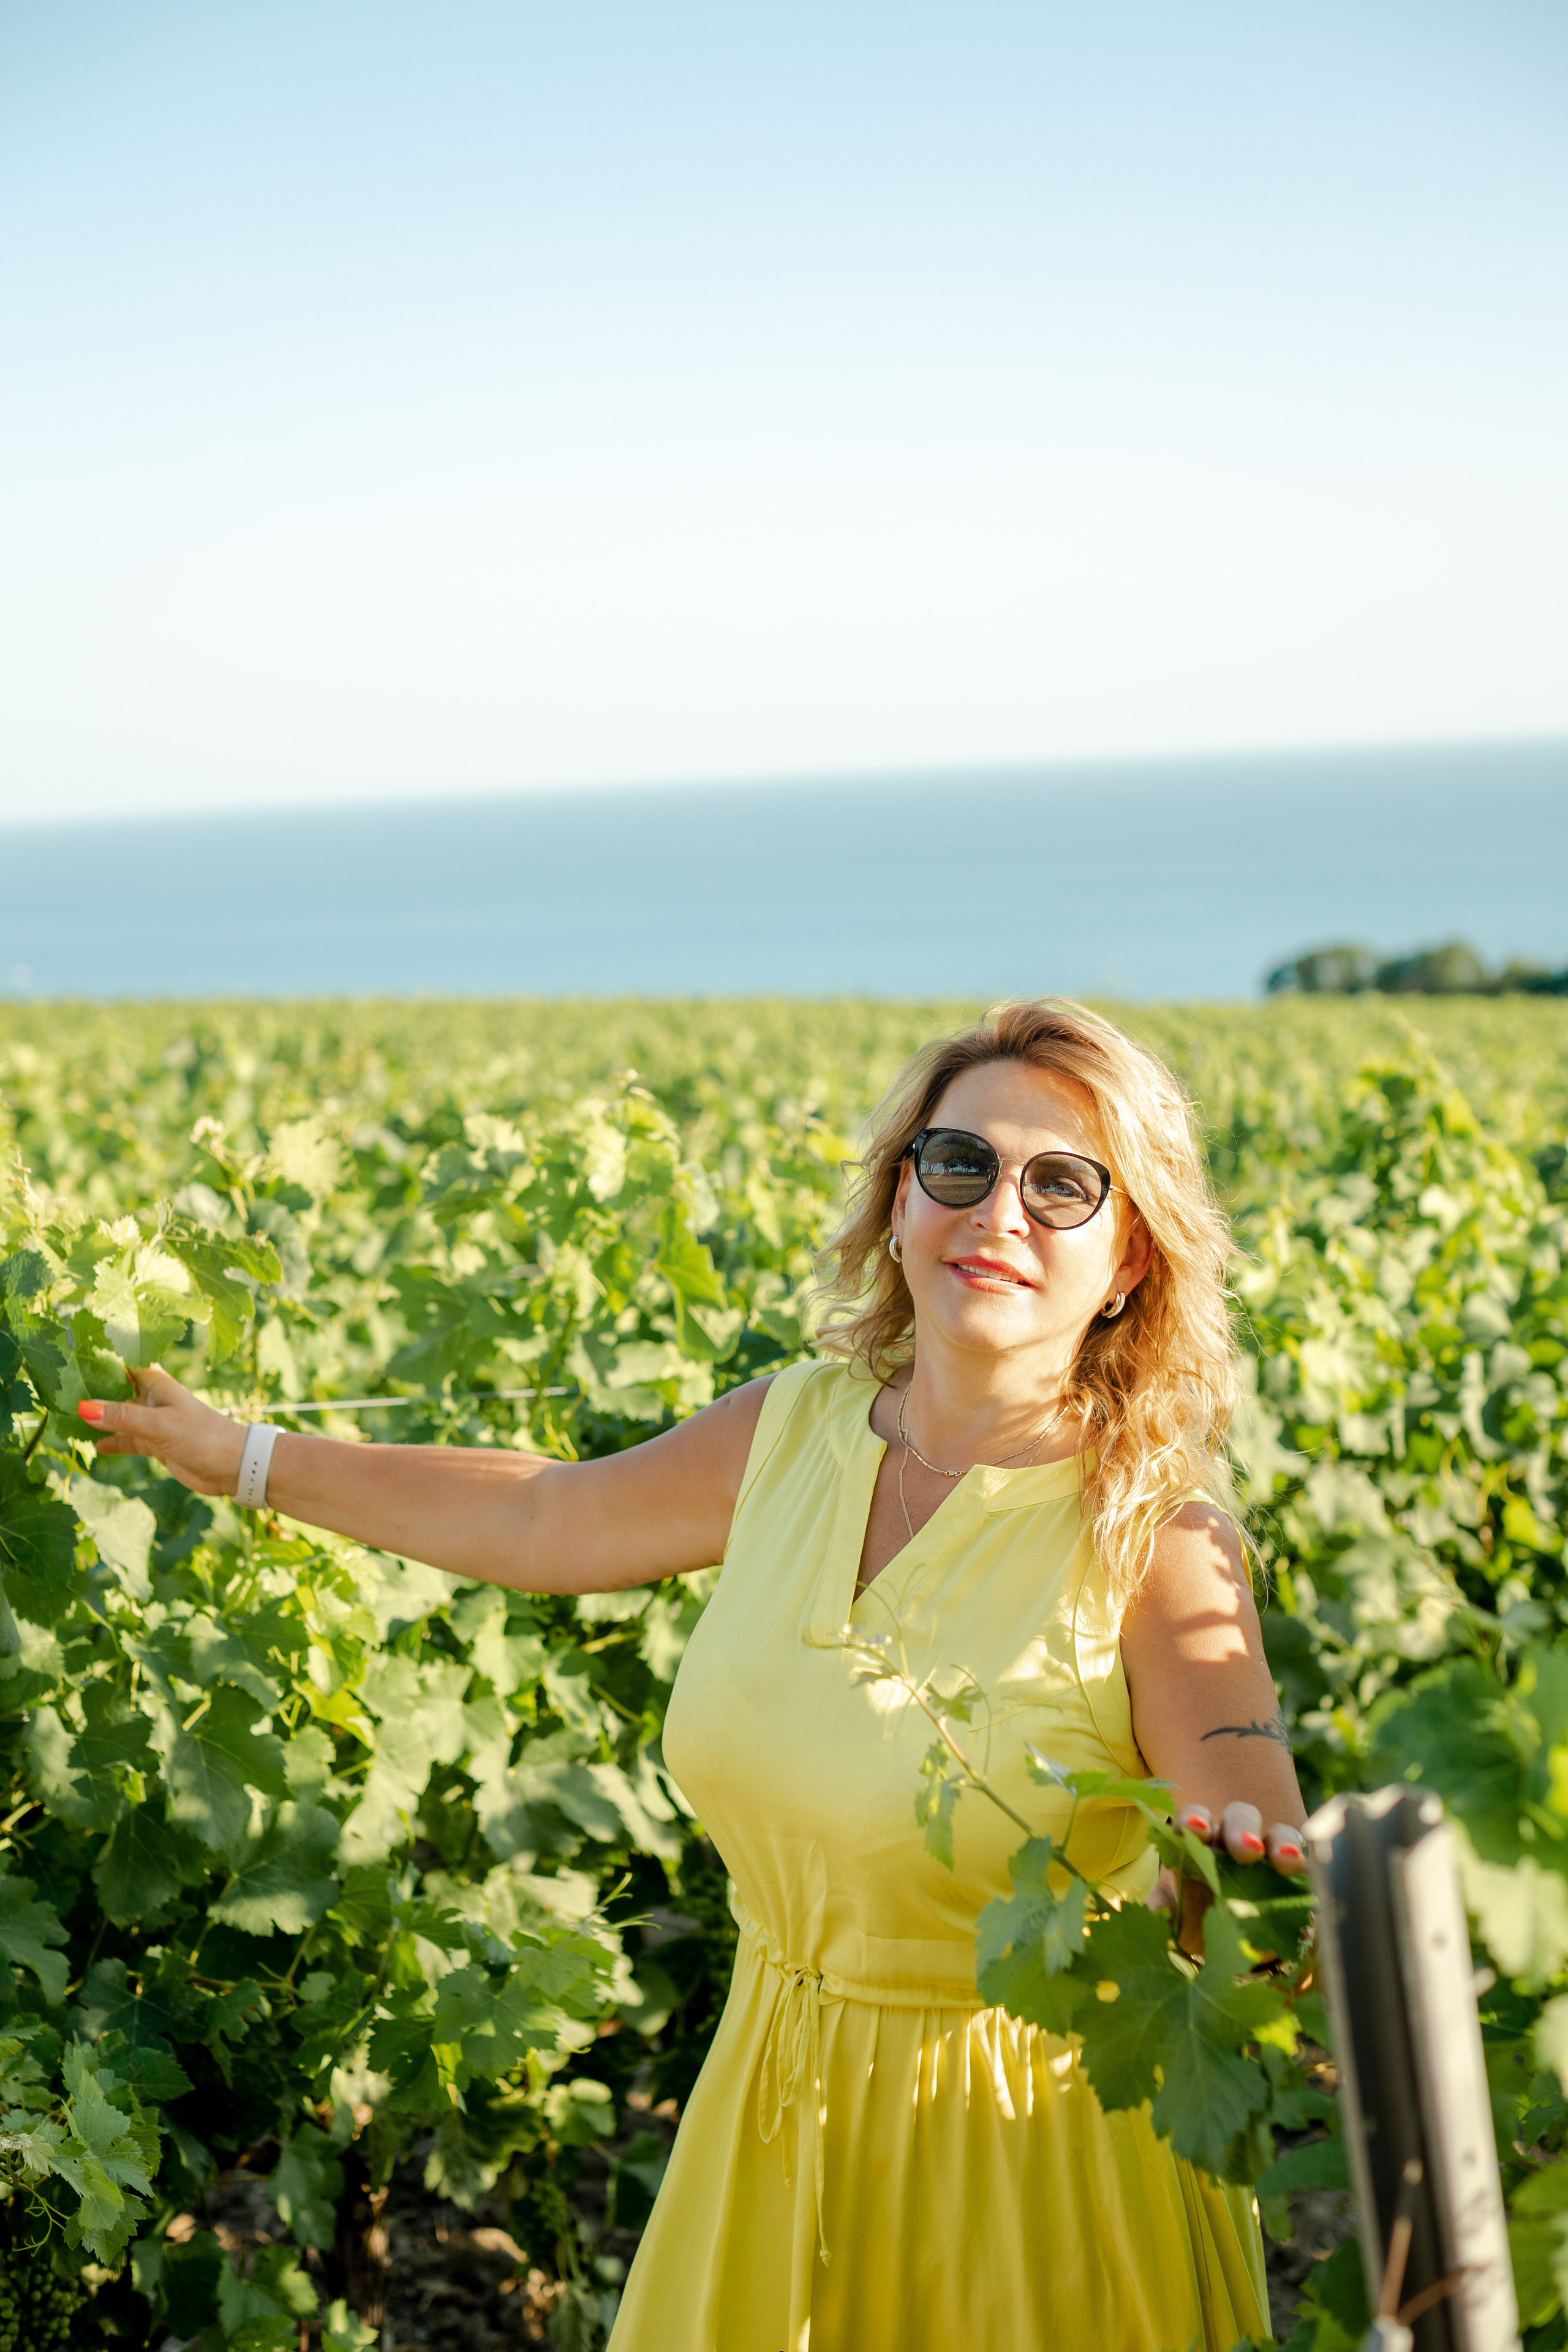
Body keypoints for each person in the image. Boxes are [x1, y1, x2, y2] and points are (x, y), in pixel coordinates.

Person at [81, 997, 1306, 2351]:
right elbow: (539, 1515)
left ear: (1129, 1257)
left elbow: (1245, 1832)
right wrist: (240, 1458)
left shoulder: (1156, 1542)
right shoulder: (788, 1430)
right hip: (770, 2110)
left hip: (1023, 2163)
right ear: (900, 1198)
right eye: (957, 1164)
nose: (995, 1212)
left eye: (1060, 1185)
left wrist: (1246, 1861)